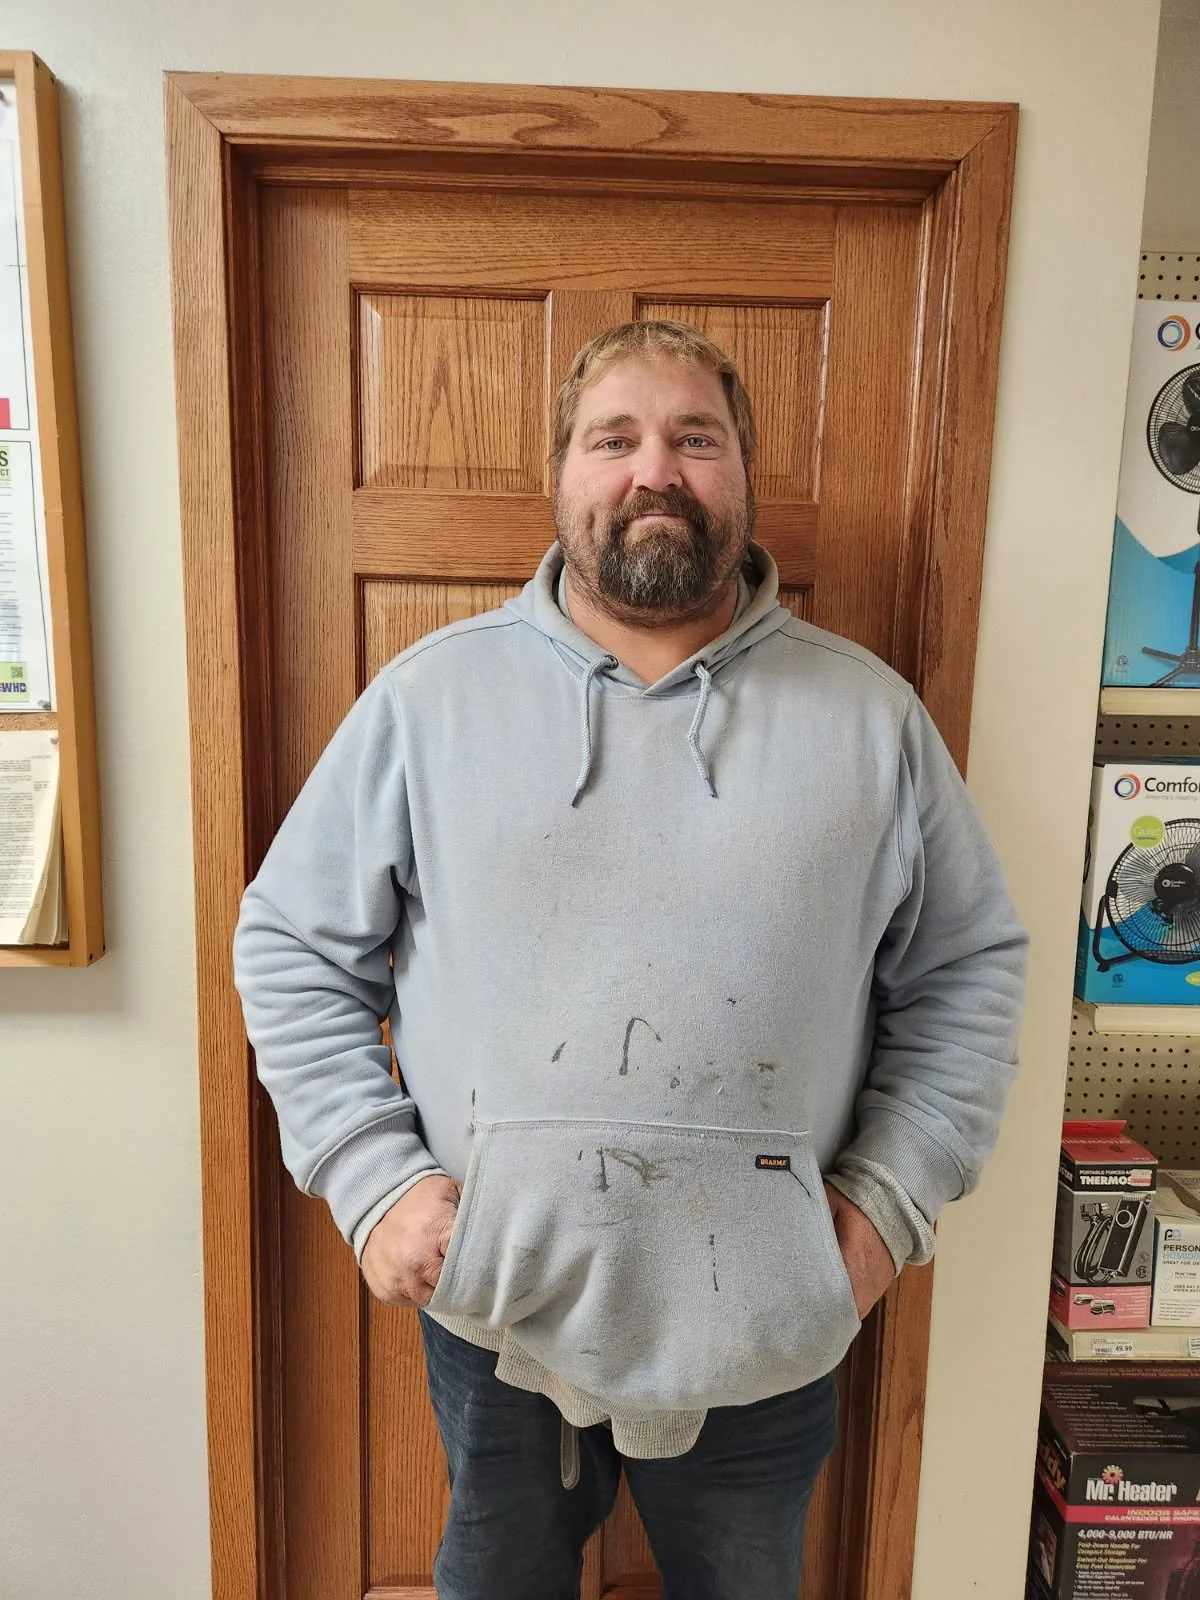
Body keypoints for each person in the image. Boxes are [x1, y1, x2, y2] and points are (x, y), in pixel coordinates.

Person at [233, 320, 1028, 1600]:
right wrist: (374, 1184)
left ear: (743, 475)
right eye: (617, 438)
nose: (654, 469)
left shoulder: (873, 720)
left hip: (767, 1326)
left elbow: (969, 972)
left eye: (694, 438)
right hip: (497, 1308)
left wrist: (885, 1208)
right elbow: (289, 945)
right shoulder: (429, 704)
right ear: (564, 475)